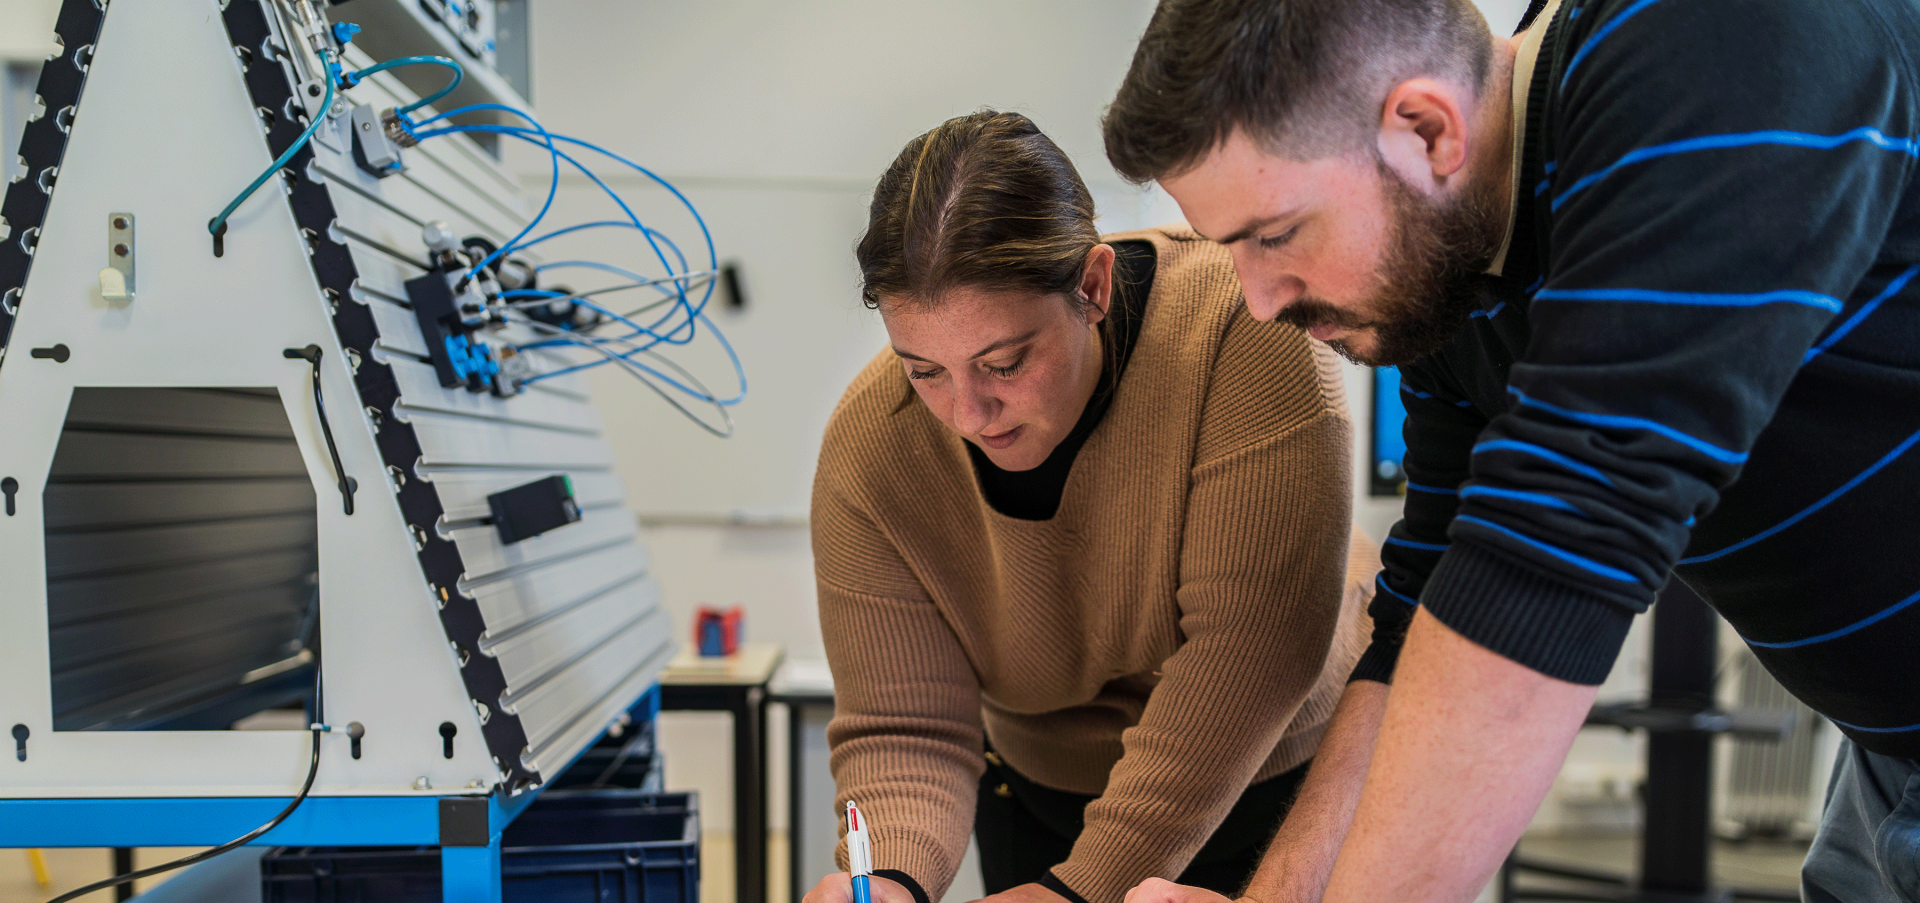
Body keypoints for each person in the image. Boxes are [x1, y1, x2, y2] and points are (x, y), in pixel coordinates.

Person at [1100, 0, 1920, 901]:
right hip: (1886, 755)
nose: (1258, 301)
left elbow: (1571, 527)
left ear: (1426, 130)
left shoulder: (1714, 38)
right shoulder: (1451, 281)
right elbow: (1422, 614)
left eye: (1274, 234)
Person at [803, 110, 1379, 903]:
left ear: (1093, 286)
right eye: (924, 370)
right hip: (1044, 793)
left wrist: (1084, 890)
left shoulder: (1241, 329)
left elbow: (1251, 650)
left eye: (1005, 362)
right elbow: (904, 724)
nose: (969, 413)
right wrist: (890, 879)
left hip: (1271, 783)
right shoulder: (873, 447)